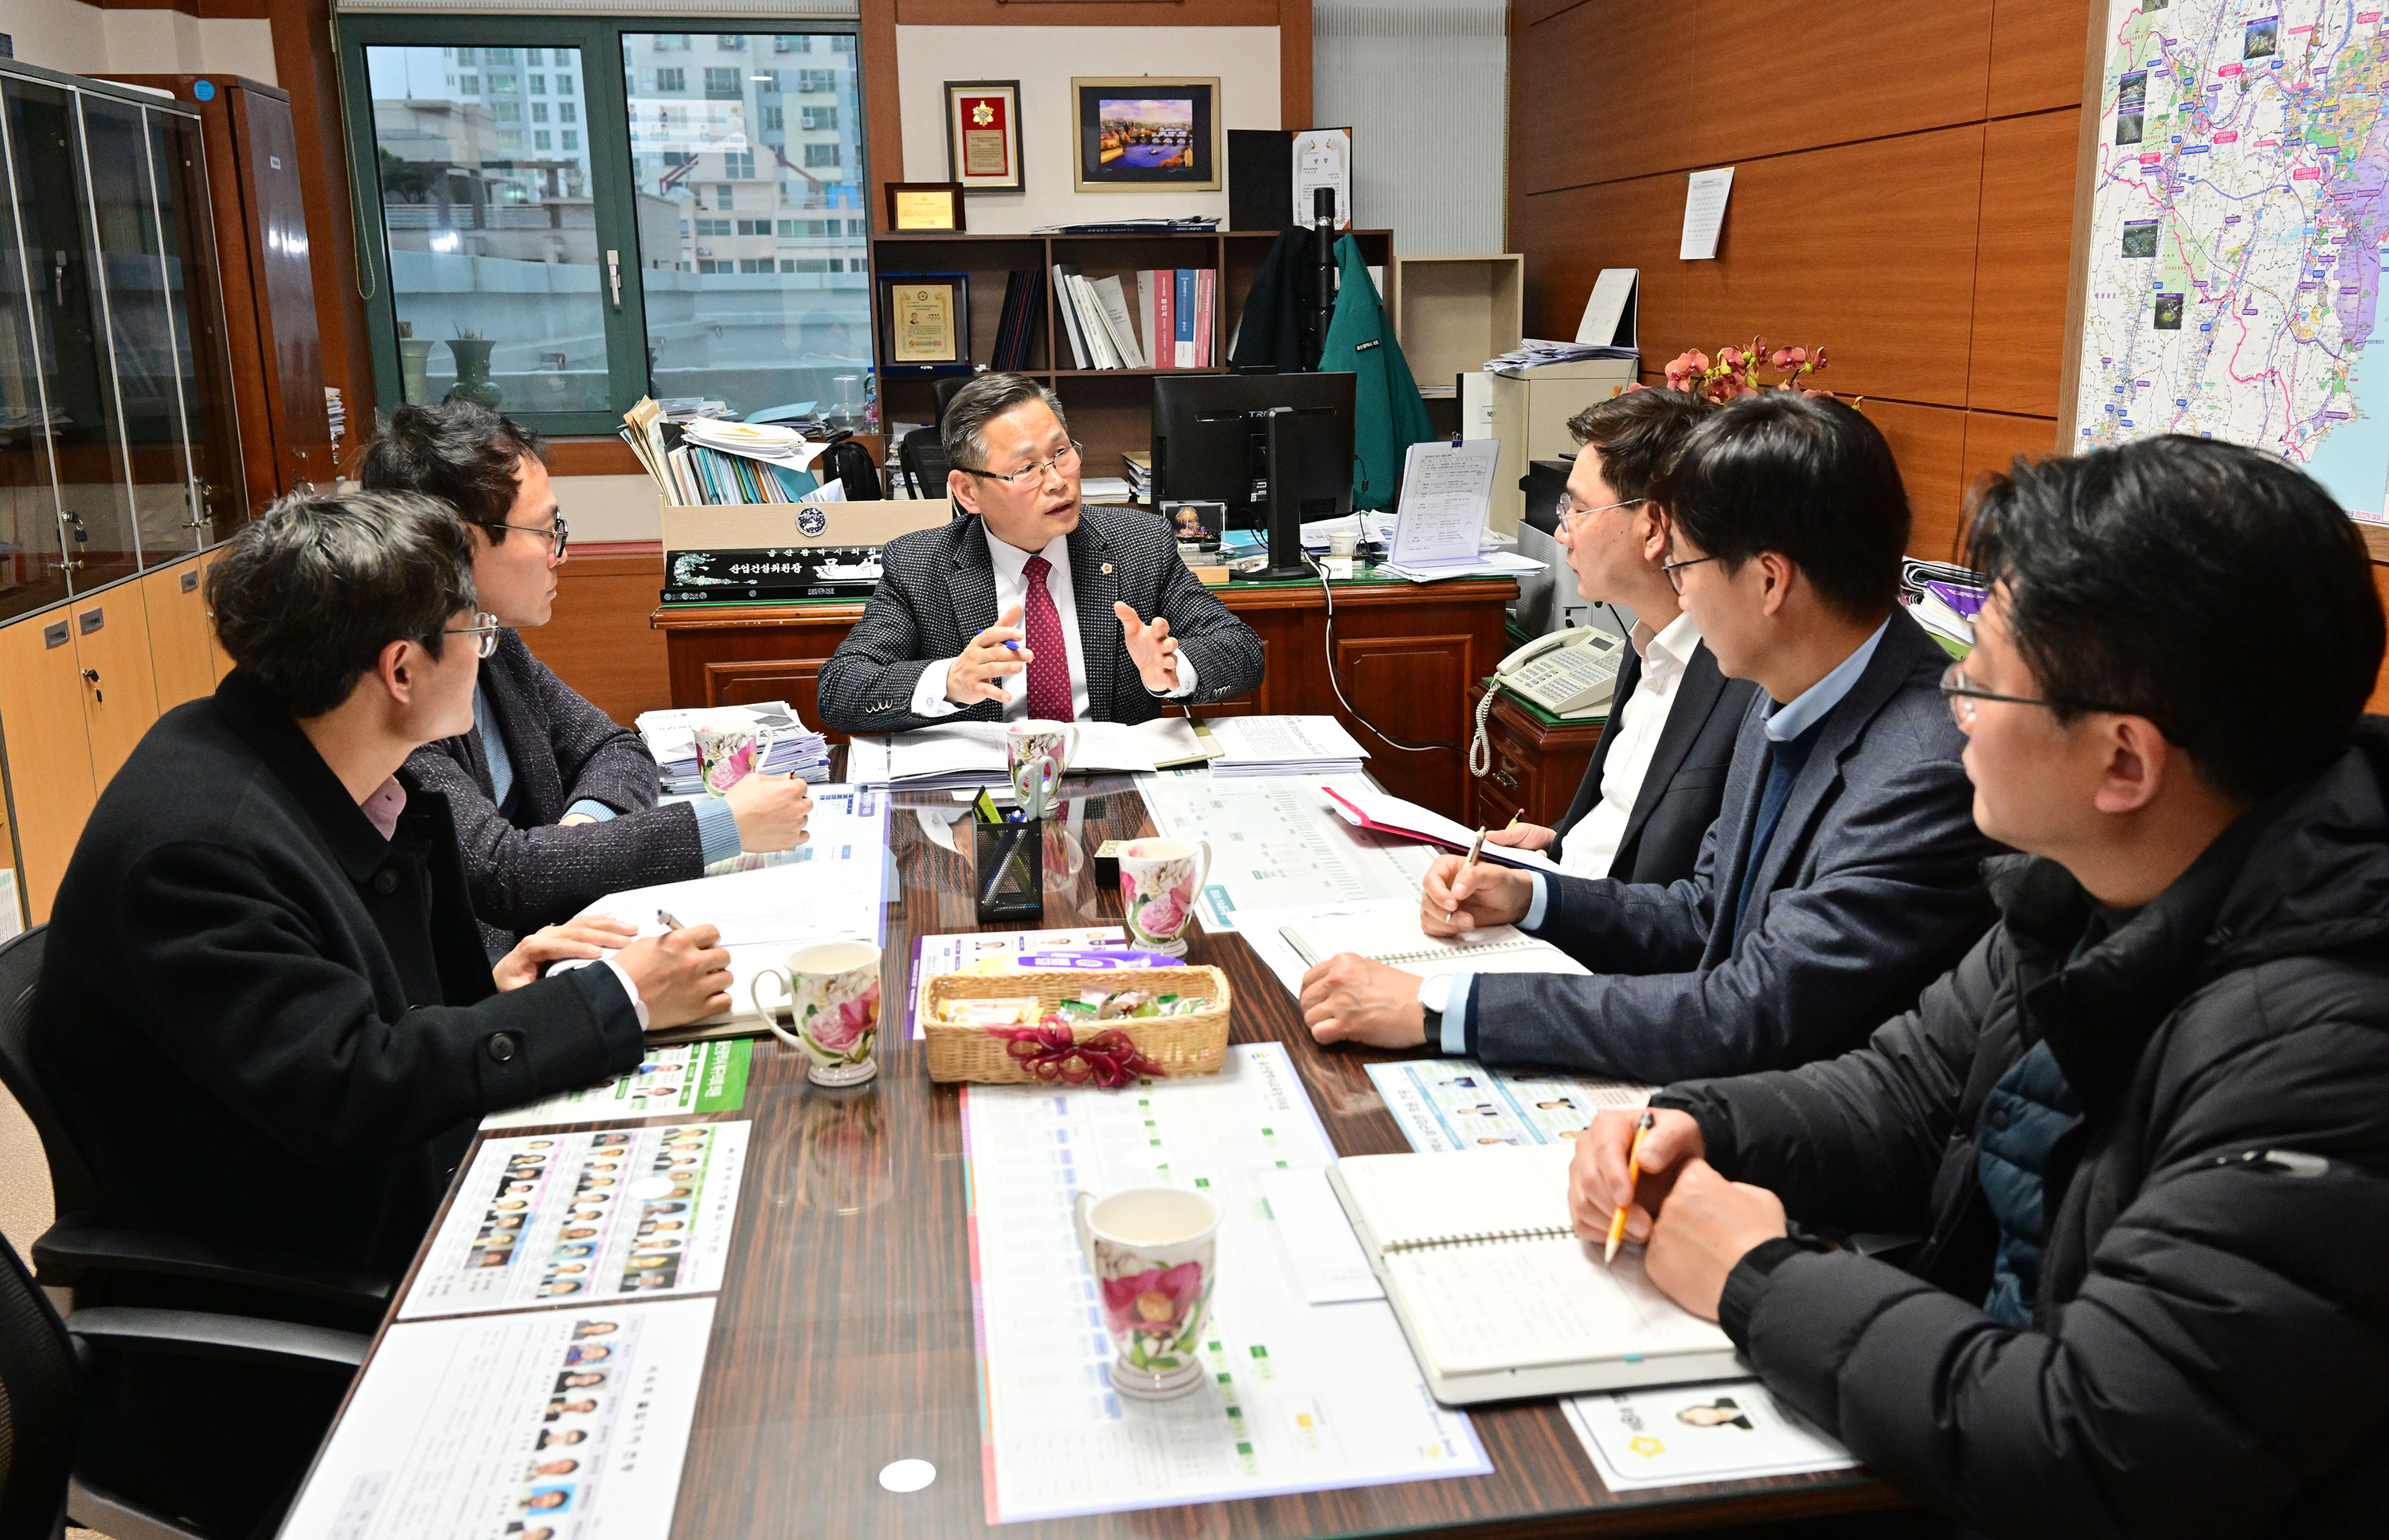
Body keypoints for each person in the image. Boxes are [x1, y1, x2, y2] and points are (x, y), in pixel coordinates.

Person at [1571, 437, 2389, 1535]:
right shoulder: (2092, 883)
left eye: (1983, 678)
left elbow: (2098, 1444)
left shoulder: (2327, 1045)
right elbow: (1902, 1094)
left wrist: (1757, 1274)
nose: (1951, 705)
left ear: (2124, 762)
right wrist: (1696, 1123)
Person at [29, 491, 733, 1536]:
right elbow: (351, 1085)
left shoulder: (322, 765)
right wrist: (623, 993)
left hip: (371, 1201)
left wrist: (490, 995)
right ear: (401, 671)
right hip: (293, 1305)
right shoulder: (202, 846)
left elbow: (340, 1012)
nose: (487, 653)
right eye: (474, 634)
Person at [1300, 393, 2000, 1082]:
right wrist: (1531, 898)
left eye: (1688, 567)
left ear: (1769, 581)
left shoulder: (1922, 768)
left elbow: (1748, 1011)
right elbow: (1702, 912)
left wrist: (1437, 1008)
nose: (1681, 592)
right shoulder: (1790, 681)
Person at [361, 403, 814, 953]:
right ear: (460, 543)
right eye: (548, 530)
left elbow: (616, 748)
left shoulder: (493, 642)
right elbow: (503, 873)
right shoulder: (395, 686)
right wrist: (719, 824)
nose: (561, 554)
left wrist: (580, 840)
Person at [815, 373, 1265, 733]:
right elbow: (840, 690)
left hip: (1116, 792)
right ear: (968, 491)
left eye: (1062, 453)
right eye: (1026, 468)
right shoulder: (919, 565)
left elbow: (1242, 650)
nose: (1056, 480)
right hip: (987, 802)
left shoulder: (1138, 544)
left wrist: (1173, 668)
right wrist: (949, 681)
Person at [1485, 389, 1758, 882]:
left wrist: (1542, 900)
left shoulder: (1749, 681)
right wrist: (1560, 841)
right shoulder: (1645, 641)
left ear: (1653, 529)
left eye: (1577, 509)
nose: (1561, 530)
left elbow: (1699, 906)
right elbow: (1627, 824)